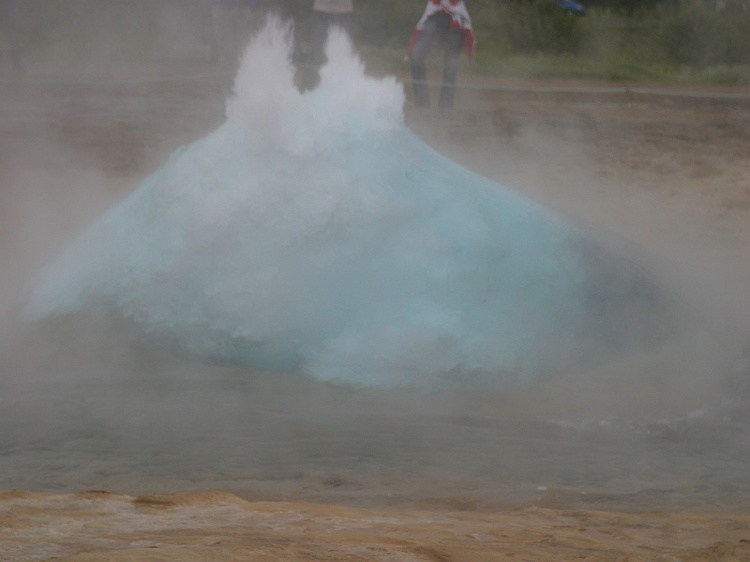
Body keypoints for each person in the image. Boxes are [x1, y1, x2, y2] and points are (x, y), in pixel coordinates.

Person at [406, 0, 475, 108]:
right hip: (434, 16)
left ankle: (446, 104)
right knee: (416, 56)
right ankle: (422, 102)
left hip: (455, 19)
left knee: (451, 62)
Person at [293, 0, 354, 92]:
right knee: (317, 53)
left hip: (343, 9)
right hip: (322, 8)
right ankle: (309, 87)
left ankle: (341, 88)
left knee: (342, 52)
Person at [0, 0, 23, 72]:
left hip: (7, 21)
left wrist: (10, 20)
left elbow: (12, 10)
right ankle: (16, 65)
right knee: (14, 42)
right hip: (7, 20)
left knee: (14, 42)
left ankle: (17, 65)